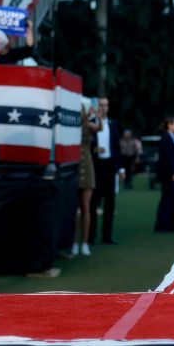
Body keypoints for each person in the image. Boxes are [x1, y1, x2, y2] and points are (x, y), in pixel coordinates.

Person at [85, 97, 121, 245]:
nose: (103, 108)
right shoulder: (90, 123)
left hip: (110, 167)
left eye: (106, 105)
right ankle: (91, 236)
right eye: (101, 105)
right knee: (94, 202)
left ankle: (107, 236)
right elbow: (85, 143)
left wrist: (121, 168)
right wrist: (94, 150)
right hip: (96, 166)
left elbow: (117, 147)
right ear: (96, 106)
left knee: (110, 202)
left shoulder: (113, 124)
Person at [74, 98, 97, 257]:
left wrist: (97, 115)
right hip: (75, 165)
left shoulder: (89, 125)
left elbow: (99, 127)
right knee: (75, 209)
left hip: (87, 165)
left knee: (85, 206)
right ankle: (74, 242)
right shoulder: (71, 127)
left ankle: (85, 243)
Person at [154, 117, 174, 233]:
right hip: (167, 174)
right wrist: (173, 172)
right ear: (170, 125)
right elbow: (167, 158)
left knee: (173, 199)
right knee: (166, 199)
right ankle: (161, 226)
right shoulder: (165, 139)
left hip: (173, 173)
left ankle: (172, 225)